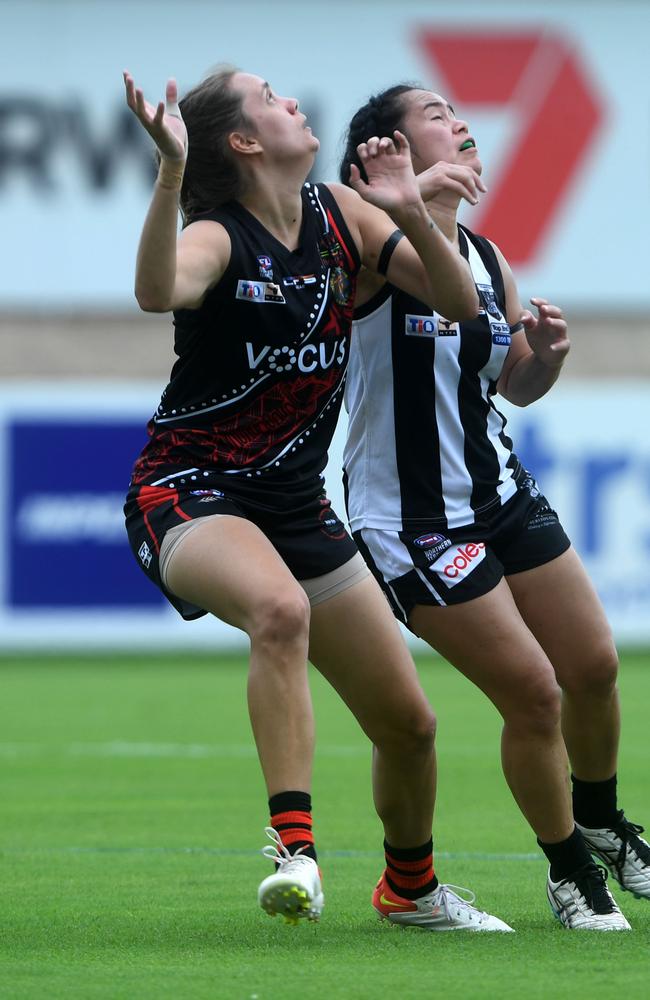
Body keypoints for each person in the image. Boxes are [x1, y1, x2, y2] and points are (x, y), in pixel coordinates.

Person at [121, 67, 513, 932]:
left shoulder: (340, 212)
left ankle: (411, 891)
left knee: (410, 725)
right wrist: (169, 175)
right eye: (269, 97)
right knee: (278, 609)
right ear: (245, 142)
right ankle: (295, 848)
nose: (292, 100)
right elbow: (157, 291)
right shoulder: (220, 236)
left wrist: (410, 206)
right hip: (190, 491)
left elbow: (455, 301)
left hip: (296, 510)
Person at [340, 84, 650, 931]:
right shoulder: (367, 242)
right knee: (536, 694)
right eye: (435, 111)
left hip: (502, 495)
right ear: (389, 148)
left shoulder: (485, 255)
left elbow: (514, 381)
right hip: (413, 520)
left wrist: (544, 358)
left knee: (593, 667)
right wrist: (400, 203)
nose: (458, 118)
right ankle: (568, 869)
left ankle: (602, 816)